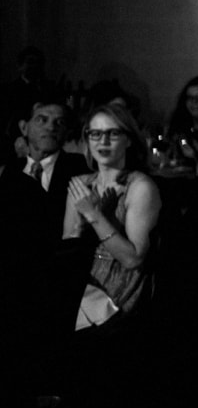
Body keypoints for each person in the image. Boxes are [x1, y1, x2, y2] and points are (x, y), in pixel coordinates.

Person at [62, 101, 162, 330]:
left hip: (119, 290)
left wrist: (94, 214)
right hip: (83, 280)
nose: (103, 142)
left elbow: (133, 259)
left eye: (113, 133)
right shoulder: (81, 184)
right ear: (87, 139)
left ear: (128, 140)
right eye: (95, 134)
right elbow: (68, 252)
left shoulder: (140, 186)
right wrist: (80, 225)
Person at [6, 99, 84, 254]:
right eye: (42, 120)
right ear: (24, 128)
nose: (50, 127)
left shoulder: (79, 169)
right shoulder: (8, 171)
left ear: (67, 132)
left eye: (60, 122)